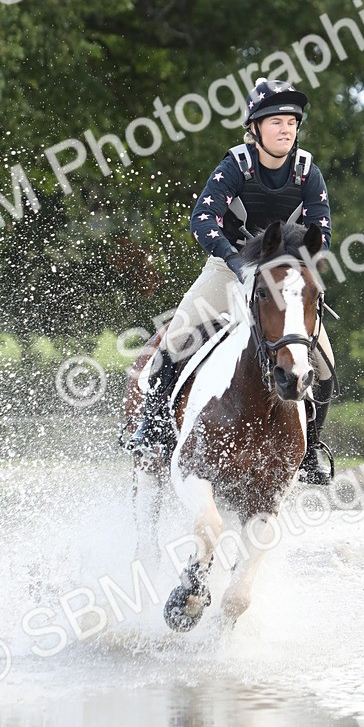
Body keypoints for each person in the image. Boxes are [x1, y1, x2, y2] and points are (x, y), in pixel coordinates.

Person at [124, 77, 336, 484]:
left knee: (323, 364)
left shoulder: (309, 173)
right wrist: (236, 261)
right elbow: (202, 220)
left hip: (283, 277)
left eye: (292, 122)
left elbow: (321, 234)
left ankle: (310, 449)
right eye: (276, 121)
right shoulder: (235, 166)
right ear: (255, 128)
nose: (286, 129)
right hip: (229, 267)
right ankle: (153, 427)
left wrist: (297, 267)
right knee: (175, 338)